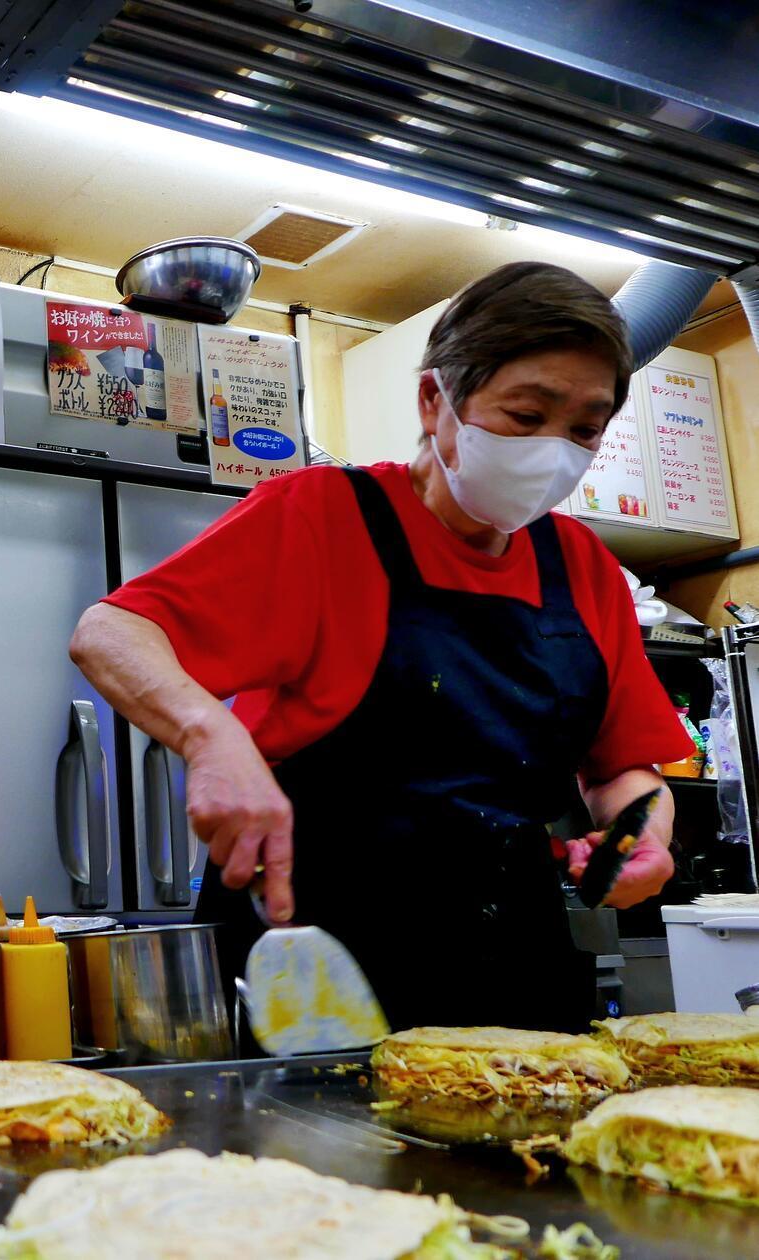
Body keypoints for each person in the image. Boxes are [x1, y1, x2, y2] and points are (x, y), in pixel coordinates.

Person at [72, 262, 692, 1034]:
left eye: (583, 430)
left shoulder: (581, 564)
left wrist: (644, 834)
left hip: (513, 978)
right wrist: (211, 735)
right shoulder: (322, 516)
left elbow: (625, 768)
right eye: (526, 415)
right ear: (435, 401)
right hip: (319, 972)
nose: (552, 451)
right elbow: (111, 631)